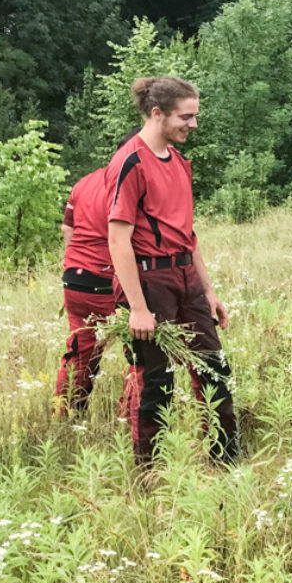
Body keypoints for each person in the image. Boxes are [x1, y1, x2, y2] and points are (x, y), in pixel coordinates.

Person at [107, 76, 238, 466]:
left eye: (195, 115)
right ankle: (150, 472)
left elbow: (188, 234)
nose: (193, 125)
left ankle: (226, 461)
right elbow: (118, 239)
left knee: (214, 368)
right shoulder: (129, 161)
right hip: (149, 283)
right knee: (155, 382)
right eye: (186, 116)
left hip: (186, 280)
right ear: (157, 113)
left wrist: (209, 291)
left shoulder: (180, 163)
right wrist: (137, 308)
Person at [53, 129, 142, 418]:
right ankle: (132, 419)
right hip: (110, 282)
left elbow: (67, 228)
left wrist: (82, 259)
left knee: (79, 351)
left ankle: (65, 414)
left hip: (76, 279)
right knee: (140, 351)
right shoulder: (127, 184)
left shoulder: (84, 182)